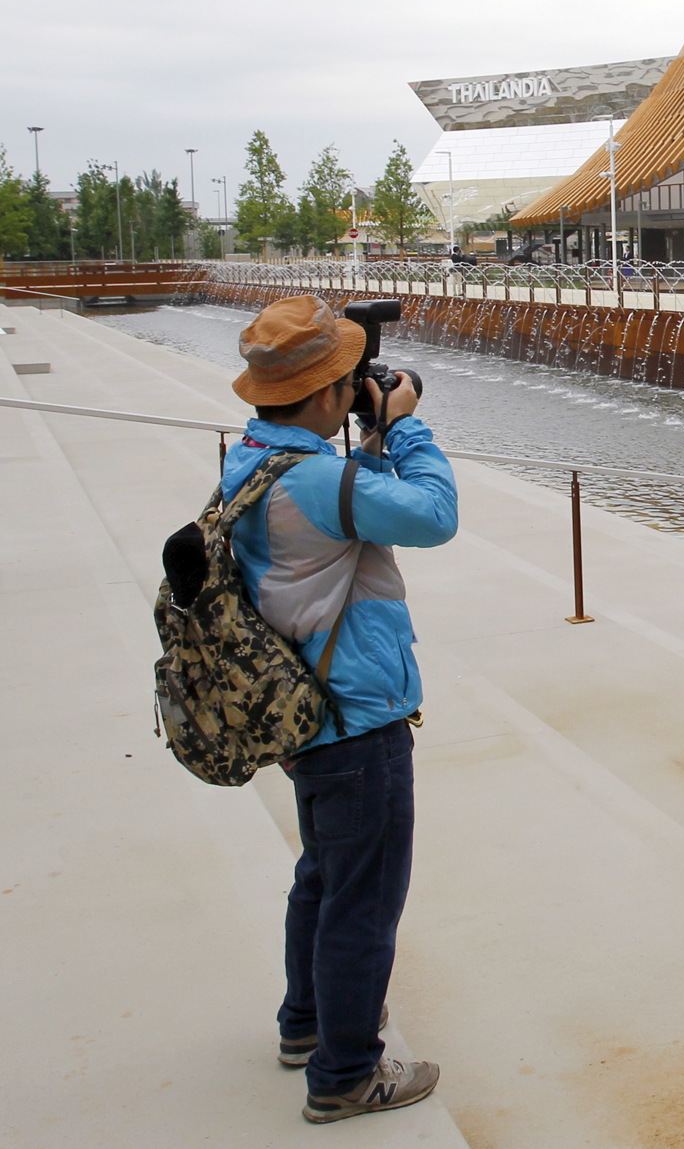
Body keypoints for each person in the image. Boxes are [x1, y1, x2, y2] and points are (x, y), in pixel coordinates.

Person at [223, 295, 459, 1124]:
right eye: (347, 382)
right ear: (327, 397)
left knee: (323, 877)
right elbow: (434, 515)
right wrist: (404, 424)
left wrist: (369, 436)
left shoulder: (252, 457)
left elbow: (356, 505)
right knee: (364, 899)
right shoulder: (319, 480)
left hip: (301, 712)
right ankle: (348, 1073)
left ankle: (308, 1024)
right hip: (357, 719)